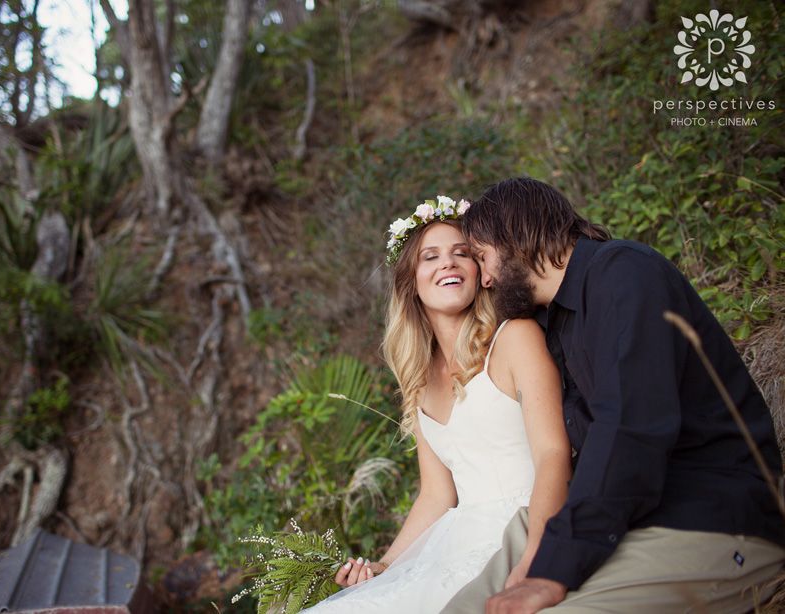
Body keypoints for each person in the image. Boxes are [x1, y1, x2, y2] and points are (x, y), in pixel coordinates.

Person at [443, 177, 785, 614]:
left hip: (706, 515)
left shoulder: (624, 273)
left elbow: (631, 428)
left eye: (483, 258)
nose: (485, 279)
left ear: (514, 235)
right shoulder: (552, 324)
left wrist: (552, 570)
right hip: (620, 520)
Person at [304, 197, 572, 613]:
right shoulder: (418, 379)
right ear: (412, 282)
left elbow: (554, 454)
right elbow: (436, 494)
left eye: (461, 254)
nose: (447, 263)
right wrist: (386, 565)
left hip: (519, 530)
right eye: (431, 257)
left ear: (480, 271)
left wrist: (540, 555)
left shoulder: (515, 339)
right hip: (455, 540)